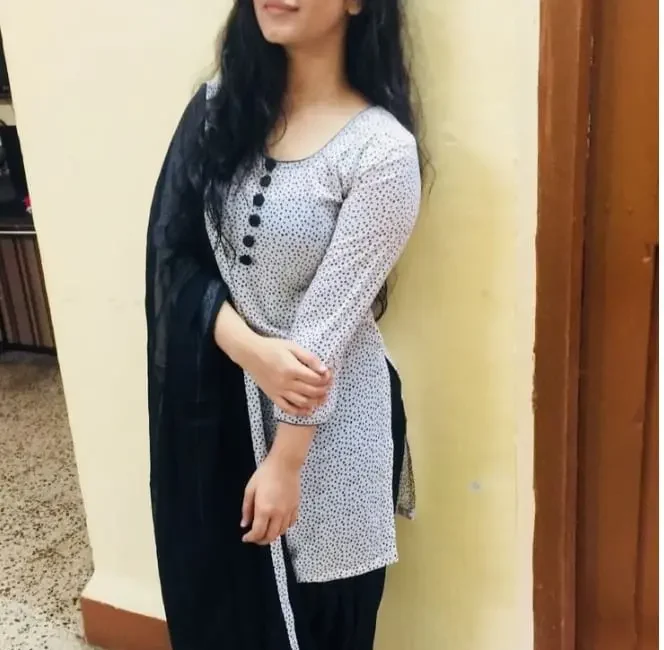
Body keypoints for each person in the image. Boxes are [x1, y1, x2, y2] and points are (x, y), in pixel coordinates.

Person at [145, 0, 423, 648]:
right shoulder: (218, 113)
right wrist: (250, 350)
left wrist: (284, 465)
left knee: (323, 622)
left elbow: (330, 324)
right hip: (216, 421)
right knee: (224, 612)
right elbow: (172, 253)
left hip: (328, 438)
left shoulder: (381, 151)